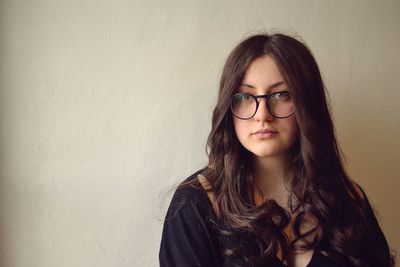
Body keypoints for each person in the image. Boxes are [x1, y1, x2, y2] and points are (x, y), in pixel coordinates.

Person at [159, 33, 394, 267]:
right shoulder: (195, 204)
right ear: (228, 108)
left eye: (281, 94)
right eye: (245, 96)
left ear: (306, 103)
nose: (263, 115)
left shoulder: (347, 199)